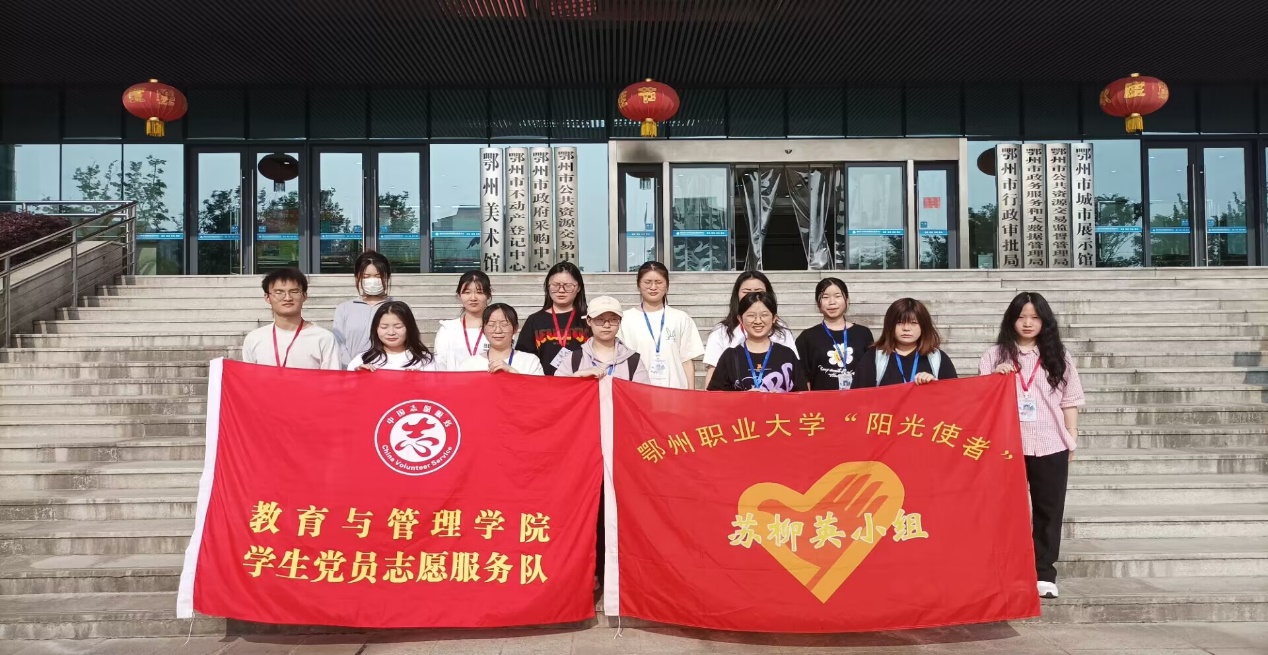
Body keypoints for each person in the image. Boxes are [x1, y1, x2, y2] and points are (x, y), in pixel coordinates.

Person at [980, 292, 1085, 601]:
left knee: (1048, 510)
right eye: (1022, 317)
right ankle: (1006, 571)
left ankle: (1044, 574)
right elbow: (980, 400)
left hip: (1050, 442)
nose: (1027, 323)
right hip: (1006, 445)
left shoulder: (1059, 356)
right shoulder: (994, 355)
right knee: (1005, 511)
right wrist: (995, 379)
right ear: (1011, 320)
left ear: (1045, 322)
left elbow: (1070, 401)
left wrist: (1071, 438)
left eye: (1035, 317)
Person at [617, 261, 705, 389]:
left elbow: (686, 361)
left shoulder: (681, 318)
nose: (653, 287)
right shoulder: (625, 319)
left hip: (675, 391)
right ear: (638, 284)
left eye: (658, 282)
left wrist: (691, 393)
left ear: (667, 285)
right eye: (647, 282)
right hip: (638, 391)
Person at [703, 271, 798, 388]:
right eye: (746, 292)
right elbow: (714, 377)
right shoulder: (721, 332)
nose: (753, 296)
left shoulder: (782, 332)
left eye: (759, 291)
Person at [242, 268, 339, 370]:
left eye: (294, 292)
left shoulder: (324, 338)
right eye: (279, 292)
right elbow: (248, 378)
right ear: (267, 297)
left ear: (304, 296)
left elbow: (332, 378)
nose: (287, 298)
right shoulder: (254, 339)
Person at [852, 298, 957, 388]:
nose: (906, 328)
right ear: (889, 326)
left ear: (924, 326)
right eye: (899, 323)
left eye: (914, 323)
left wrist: (935, 385)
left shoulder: (937, 358)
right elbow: (859, 398)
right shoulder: (873, 358)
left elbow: (954, 397)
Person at [795, 277, 875, 391]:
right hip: (822, 401)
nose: (832, 302)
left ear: (847, 300)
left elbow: (870, 371)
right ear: (818, 303)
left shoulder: (863, 334)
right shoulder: (807, 337)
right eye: (825, 297)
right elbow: (803, 376)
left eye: (838, 296)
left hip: (856, 400)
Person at [515, 261, 589, 375]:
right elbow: (524, 358)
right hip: (543, 383)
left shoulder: (589, 319)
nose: (561, 290)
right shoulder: (534, 321)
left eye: (568, 286)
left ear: (578, 287)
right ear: (547, 287)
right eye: (555, 285)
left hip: (581, 382)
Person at [555, 296, 650, 383]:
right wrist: (576, 376)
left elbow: (643, 394)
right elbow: (557, 390)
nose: (606, 325)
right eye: (600, 320)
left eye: (613, 320)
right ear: (589, 321)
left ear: (620, 322)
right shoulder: (573, 359)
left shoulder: (633, 361)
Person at [333, 251, 394, 368]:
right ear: (357, 277)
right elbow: (338, 343)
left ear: (387, 277)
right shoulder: (344, 309)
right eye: (366, 276)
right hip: (352, 371)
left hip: (387, 371)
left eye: (378, 276)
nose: (373, 280)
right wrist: (353, 366)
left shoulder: (398, 307)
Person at [457, 303, 544, 375]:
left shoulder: (530, 361)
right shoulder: (469, 365)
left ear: (515, 328)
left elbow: (538, 389)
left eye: (504, 324)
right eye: (491, 324)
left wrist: (512, 372)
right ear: (483, 330)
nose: (498, 330)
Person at [348, 301, 436, 372]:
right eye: (384, 327)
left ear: (410, 328)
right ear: (376, 329)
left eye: (398, 327)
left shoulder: (426, 360)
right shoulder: (362, 360)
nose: (391, 332)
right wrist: (358, 377)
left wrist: (420, 379)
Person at [434, 270, 492, 371]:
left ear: (488, 295)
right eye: (467, 292)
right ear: (459, 296)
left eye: (479, 292)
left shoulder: (498, 329)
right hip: (454, 381)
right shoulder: (447, 330)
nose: (473, 298)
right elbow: (440, 365)